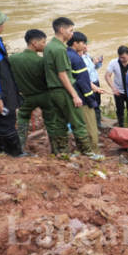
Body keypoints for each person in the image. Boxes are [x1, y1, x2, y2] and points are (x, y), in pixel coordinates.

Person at [43, 17, 95, 156]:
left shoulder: (48, 46)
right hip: (64, 91)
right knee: (78, 123)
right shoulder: (60, 49)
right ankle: (88, 154)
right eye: (70, 30)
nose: (72, 34)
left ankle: (63, 152)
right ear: (62, 30)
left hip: (54, 92)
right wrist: (74, 95)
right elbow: (63, 75)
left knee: (60, 123)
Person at [10, 29, 57, 154]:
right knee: (51, 122)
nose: (45, 44)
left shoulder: (13, 58)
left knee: (22, 117)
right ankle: (55, 150)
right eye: (44, 42)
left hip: (26, 97)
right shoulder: (42, 61)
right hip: (45, 96)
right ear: (35, 43)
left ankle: (20, 147)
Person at [0, 7, 26, 157]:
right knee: (7, 121)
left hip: (5, 87)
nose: (2, 24)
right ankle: (15, 153)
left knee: (0, 120)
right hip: (0, 92)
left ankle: (0, 149)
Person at [67, 32, 105, 156]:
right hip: (82, 97)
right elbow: (83, 82)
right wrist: (91, 99)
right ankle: (93, 151)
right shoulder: (77, 59)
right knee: (90, 126)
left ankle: (83, 149)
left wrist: (95, 88)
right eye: (83, 43)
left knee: (79, 124)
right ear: (75, 43)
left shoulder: (65, 54)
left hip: (72, 95)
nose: (84, 46)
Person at [105, 45, 128, 128]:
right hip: (118, 92)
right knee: (120, 110)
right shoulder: (113, 62)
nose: (121, 59)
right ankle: (121, 126)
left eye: (123, 57)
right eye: (120, 57)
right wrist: (113, 88)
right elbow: (107, 76)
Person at [81, 42, 103, 129]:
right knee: (92, 103)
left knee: (98, 102)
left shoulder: (88, 55)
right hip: (89, 83)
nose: (85, 47)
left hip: (95, 81)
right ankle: (93, 126)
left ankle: (98, 123)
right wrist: (93, 63)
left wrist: (98, 63)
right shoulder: (80, 58)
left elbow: (93, 69)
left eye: (86, 45)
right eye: (83, 45)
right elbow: (85, 73)